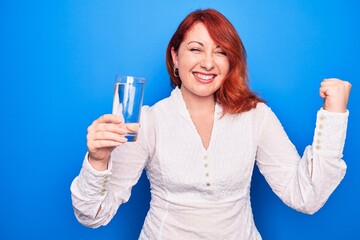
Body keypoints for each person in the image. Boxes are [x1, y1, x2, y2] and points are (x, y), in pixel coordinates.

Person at [70, 8, 351, 239]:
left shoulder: (256, 116)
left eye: (220, 52)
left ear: (231, 62)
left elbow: (307, 197)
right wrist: (98, 159)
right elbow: (93, 214)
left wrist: (334, 116)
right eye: (195, 49)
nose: (208, 63)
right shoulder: (147, 121)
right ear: (175, 57)